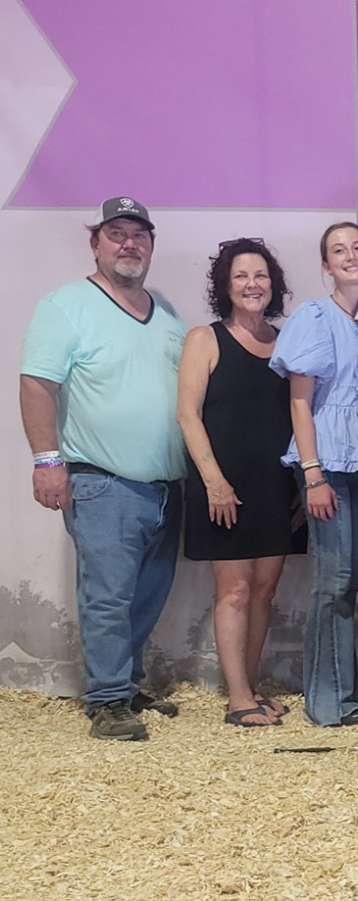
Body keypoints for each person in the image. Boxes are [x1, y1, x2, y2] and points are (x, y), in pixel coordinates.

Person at [19, 196, 186, 740]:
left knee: (146, 594)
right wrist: (47, 461)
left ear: (151, 245)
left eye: (139, 235)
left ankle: (127, 684)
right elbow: (38, 383)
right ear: (95, 243)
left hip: (164, 484)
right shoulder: (66, 305)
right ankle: (107, 699)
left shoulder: (165, 312)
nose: (128, 243)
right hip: (101, 481)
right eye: (116, 233)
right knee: (108, 595)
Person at [177, 238, 305, 727]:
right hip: (223, 487)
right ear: (224, 287)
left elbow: (298, 414)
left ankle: (249, 687)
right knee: (233, 590)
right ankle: (236, 699)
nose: (252, 285)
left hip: (276, 483)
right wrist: (213, 481)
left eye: (261, 276)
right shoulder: (204, 339)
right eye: (241, 277)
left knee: (264, 591)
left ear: (273, 285)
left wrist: (300, 484)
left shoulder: (287, 342)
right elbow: (187, 416)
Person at [269, 222, 358, 727]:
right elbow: (300, 400)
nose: (350, 256)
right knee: (332, 582)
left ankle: (346, 692)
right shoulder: (314, 317)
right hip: (328, 464)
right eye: (338, 250)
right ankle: (326, 702)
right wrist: (313, 474)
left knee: (349, 581)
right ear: (325, 266)